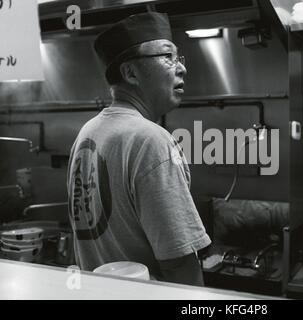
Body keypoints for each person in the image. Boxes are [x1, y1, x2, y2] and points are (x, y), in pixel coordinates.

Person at [67, 12, 211, 286]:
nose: (181, 68)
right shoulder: (150, 140)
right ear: (130, 73)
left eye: (179, 58)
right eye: (168, 56)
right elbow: (179, 261)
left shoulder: (87, 134)